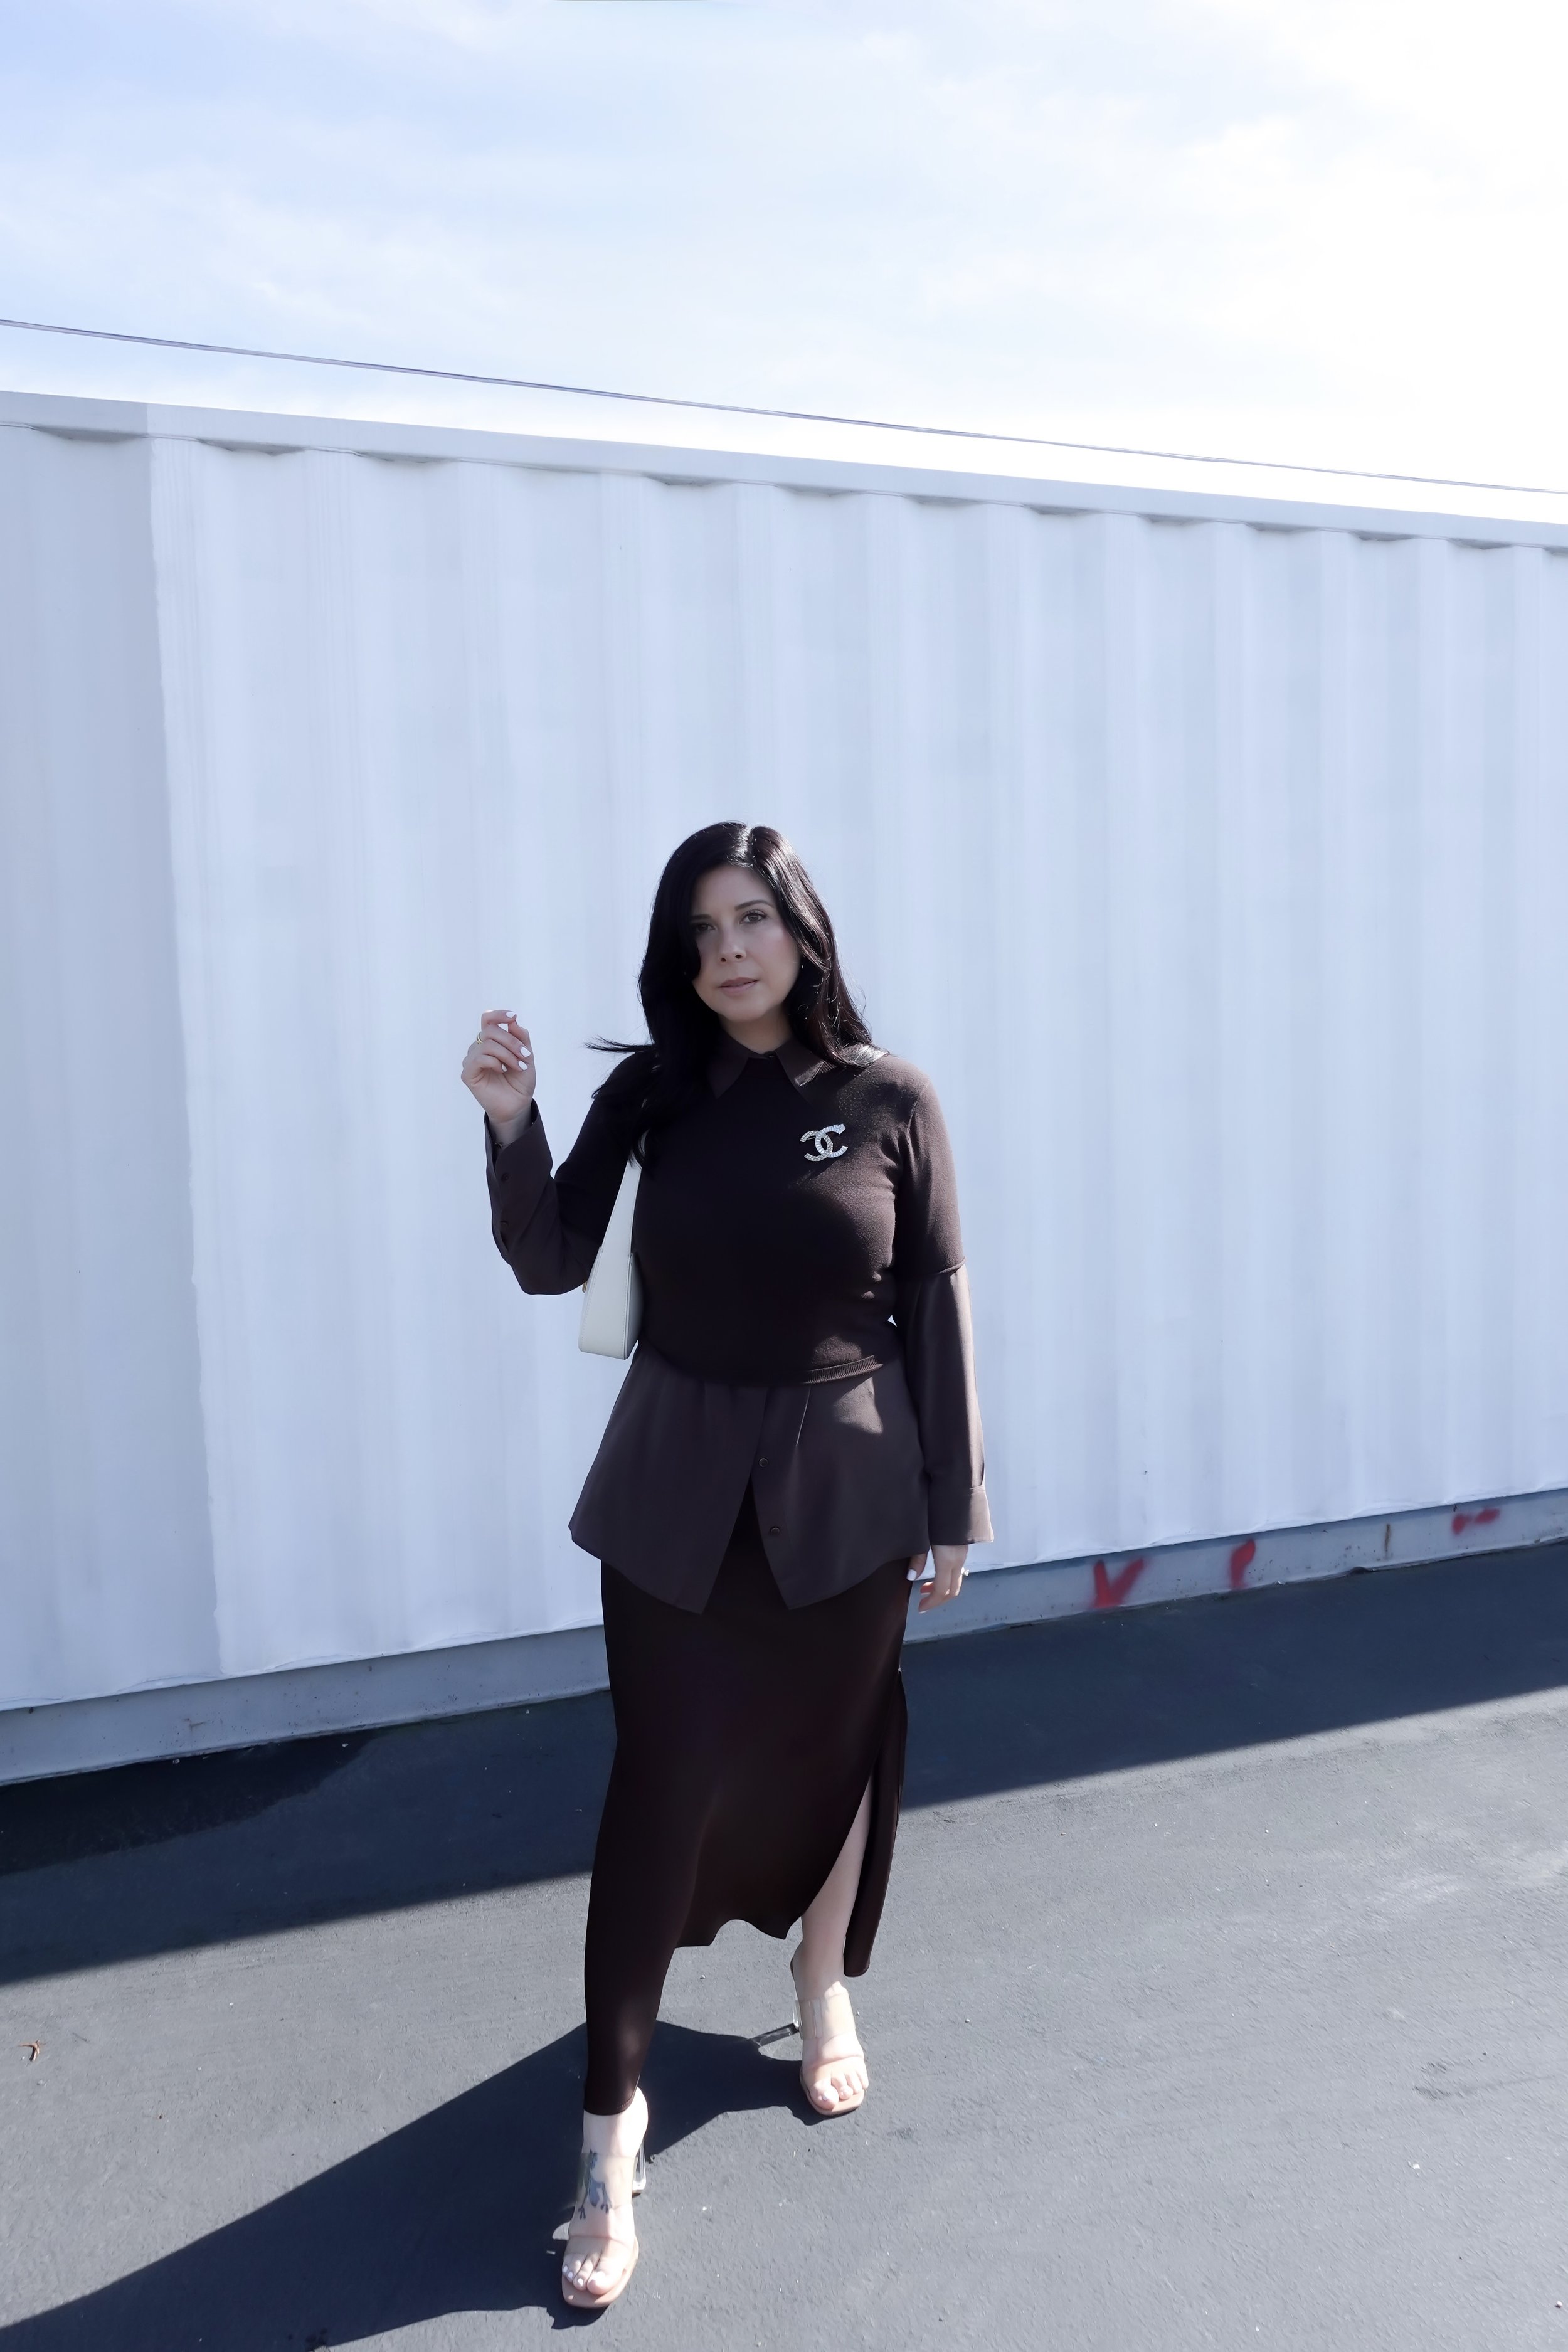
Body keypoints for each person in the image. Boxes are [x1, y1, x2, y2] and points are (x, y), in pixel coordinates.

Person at [460, 821, 990, 2311]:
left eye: (751, 919)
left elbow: (933, 1305)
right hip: (678, 1488)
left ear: (803, 933)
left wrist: (955, 1507)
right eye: (700, 931)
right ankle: (603, 2136)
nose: (728, 951)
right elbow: (552, 1257)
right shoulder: (653, 1093)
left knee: (835, 1756)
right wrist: (510, 1122)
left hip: (850, 1490)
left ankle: (819, 1988)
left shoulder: (892, 1098)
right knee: (661, 1784)